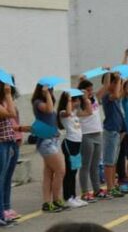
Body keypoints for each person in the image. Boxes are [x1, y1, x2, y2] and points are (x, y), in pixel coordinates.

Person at [32, 83, 69, 212]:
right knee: (61, 170)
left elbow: (50, 116)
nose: (50, 92)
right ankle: (56, 199)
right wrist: (47, 94)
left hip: (53, 139)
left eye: (51, 90)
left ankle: (47, 203)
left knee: (49, 172)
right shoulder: (38, 102)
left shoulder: (49, 102)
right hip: (45, 141)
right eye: (48, 90)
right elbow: (47, 110)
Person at [58, 91, 92, 208]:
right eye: (74, 100)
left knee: (75, 170)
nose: (76, 103)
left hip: (77, 144)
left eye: (77, 100)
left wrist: (85, 99)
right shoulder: (63, 112)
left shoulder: (75, 113)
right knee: (69, 172)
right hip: (69, 143)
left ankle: (73, 195)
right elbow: (67, 112)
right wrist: (68, 99)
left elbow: (89, 112)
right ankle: (68, 197)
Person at [76, 78, 105, 203]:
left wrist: (108, 74)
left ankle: (97, 189)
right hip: (86, 135)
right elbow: (86, 113)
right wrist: (84, 98)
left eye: (91, 90)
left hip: (97, 133)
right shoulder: (78, 104)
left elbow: (106, 86)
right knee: (85, 165)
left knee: (95, 165)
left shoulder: (95, 100)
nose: (91, 92)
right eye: (88, 90)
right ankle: (85, 192)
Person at [100, 71, 125, 199]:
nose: (117, 85)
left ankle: (113, 186)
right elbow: (116, 93)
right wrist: (115, 78)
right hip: (110, 131)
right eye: (114, 82)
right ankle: (109, 187)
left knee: (114, 161)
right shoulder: (107, 96)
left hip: (116, 131)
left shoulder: (115, 96)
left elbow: (120, 93)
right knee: (109, 162)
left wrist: (120, 79)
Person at [0, 82, 18, 225]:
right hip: (1, 144)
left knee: (5, 179)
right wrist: (7, 94)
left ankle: (4, 211)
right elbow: (11, 114)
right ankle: (1, 215)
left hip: (6, 143)